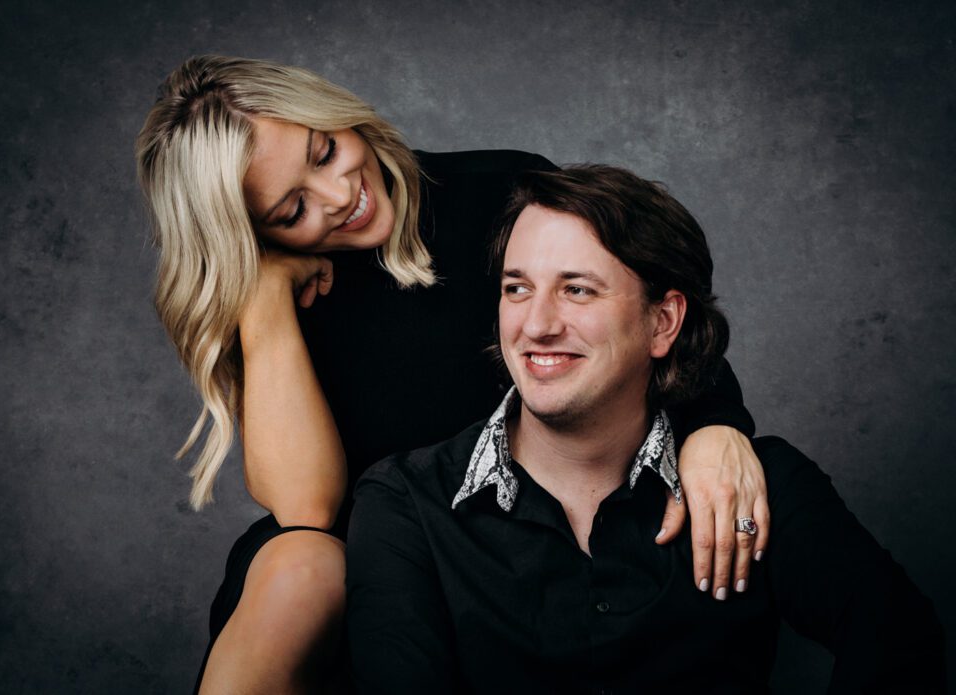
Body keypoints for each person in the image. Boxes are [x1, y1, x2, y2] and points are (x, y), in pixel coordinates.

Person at [136, 56, 771, 693]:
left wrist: (714, 429)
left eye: (325, 151)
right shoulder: (285, 293)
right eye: (292, 208)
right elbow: (308, 510)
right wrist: (263, 303)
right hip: (382, 562)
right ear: (251, 231)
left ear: (335, 113)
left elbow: (650, 319)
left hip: (516, 536)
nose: (340, 196)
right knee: (298, 562)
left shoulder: (502, 190)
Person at [345, 165, 945, 693]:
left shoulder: (759, 483)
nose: (536, 324)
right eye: (516, 289)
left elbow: (900, 639)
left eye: (577, 290)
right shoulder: (407, 505)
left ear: (663, 322)